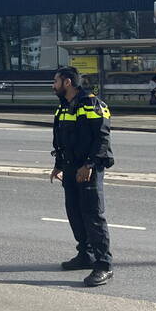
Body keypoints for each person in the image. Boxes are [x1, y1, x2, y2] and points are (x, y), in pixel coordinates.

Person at [50, 66, 115, 287]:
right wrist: (58, 164)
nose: (53, 85)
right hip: (69, 168)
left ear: (67, 82)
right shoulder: (65, 106)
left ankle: (104, 265)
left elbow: (102, 138)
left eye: (55, 81)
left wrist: (89, 164)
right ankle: (85, 255)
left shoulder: (92, 103)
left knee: (93, 216)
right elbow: (63, 137)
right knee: (74, 213)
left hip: (88, 169)